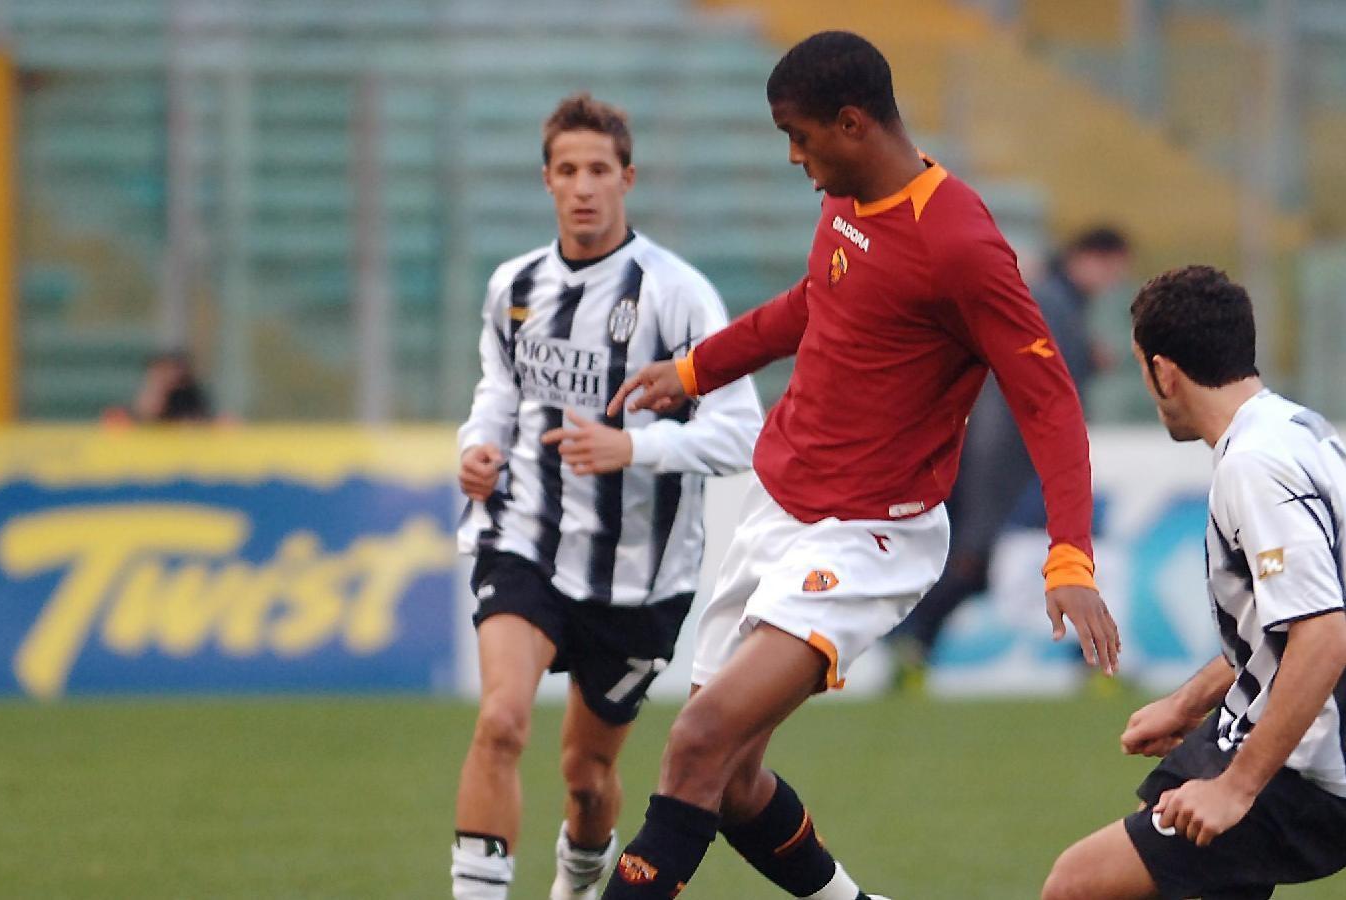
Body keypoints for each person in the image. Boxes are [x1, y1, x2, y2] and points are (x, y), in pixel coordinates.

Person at [598, 31, 1119, 900]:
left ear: (851, 124)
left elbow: (1050, 399)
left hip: (871, 532)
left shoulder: (959, 244)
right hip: (779, 508)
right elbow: (817, 301)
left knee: (697, 742)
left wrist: (1071, 554)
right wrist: (695, 369)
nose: (795, 158)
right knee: (726, 781)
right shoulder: (849, 200)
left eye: (799, 138)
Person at [449, 93, 764, 900]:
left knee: (588, 778)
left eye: (598, 170)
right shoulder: (513, 286)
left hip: (639, 576)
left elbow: (739, 435)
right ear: (545, 181)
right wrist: (476, 449)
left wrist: (636, 446)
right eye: (566, 171)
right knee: (501, 722)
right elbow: (498, 389)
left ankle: (579, 875)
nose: (583, 187)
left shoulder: (678, 296)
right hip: (524, 537)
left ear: (628, 177)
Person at [1042, 265, 1346, 900]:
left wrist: (1235, 788)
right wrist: (1187, 706)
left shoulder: (1255, 467)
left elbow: (1325, 639)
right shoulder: (1300, 430)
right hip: (1309, 748)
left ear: (1164, 371)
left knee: (1076, 885)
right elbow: (1293, 620)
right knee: (1170, 832)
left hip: (1315, 774)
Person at [887, 226, 1130, 688]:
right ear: (1090, 258)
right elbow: (1043, 381)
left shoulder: (1058, 302)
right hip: (1014, 452)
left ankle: (913, 642)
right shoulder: (1052, 301)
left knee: (997, 559)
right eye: (1112, 269)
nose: (1112, 281)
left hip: (1007, 446)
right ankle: (911, 639)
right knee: (995, 558)